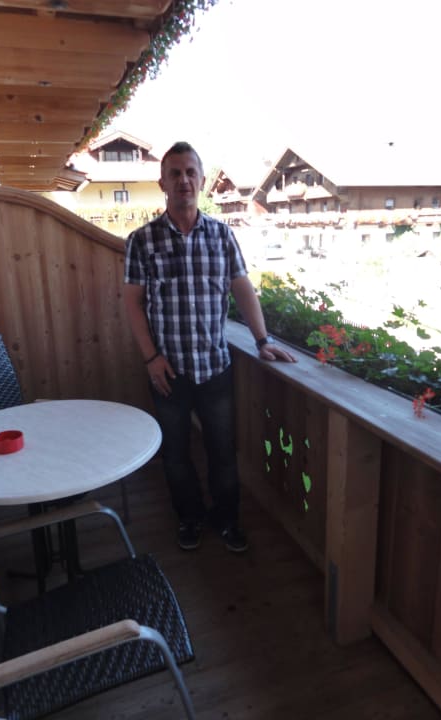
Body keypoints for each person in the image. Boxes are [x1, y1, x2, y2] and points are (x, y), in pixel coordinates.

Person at [123, 141, 296, 553]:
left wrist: (262, 340)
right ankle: (189, 519)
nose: (183, 180)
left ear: (201, 181)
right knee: (175, 455)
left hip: (215, 368)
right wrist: (151, 358)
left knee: (222, 453)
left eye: (190, 173)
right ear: (163, 183)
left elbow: (242, 287)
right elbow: (132, 303)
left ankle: (227, 520)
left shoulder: (222, 235)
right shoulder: (142, 240)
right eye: (175, 173)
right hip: (167, 372)